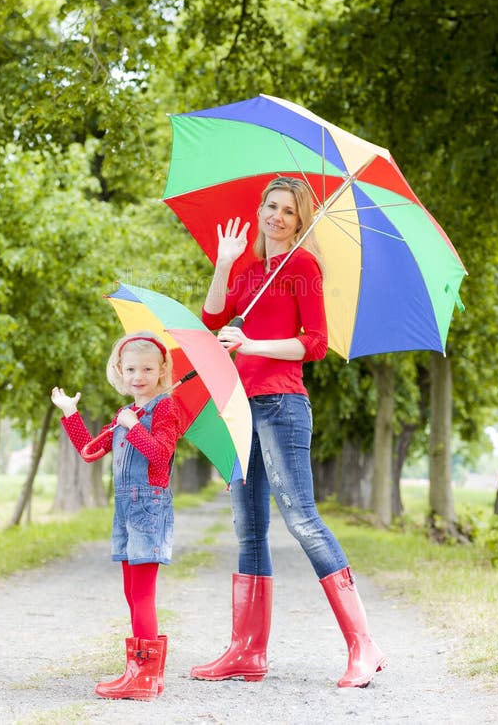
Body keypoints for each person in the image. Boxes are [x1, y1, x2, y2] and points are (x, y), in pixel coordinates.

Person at [190, 176, 386, 689]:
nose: (278, 216)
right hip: (240, 409)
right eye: (271, 206)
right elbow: (214, 317)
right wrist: (226, 263)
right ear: (260, 211)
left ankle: (364, 645)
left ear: (301, 221)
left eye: (289, 210)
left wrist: (252, 343)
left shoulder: (303, 267)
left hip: (281, 405)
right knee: (249, 528)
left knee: (301, 519)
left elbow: (315, 343)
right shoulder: (251, 271)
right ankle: (247, 652)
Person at [50, 330, 185, 701]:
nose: (138, 376)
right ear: (119, 372)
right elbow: (90, 451)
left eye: (147, 369)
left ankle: (141, 676)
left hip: (148, 506)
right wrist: (70, 413)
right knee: (131, 591)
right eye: (131, 369)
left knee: (142, 593)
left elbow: (160, 455)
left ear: (161, 372)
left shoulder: (164, 409)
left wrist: (132, 426)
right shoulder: (126, 413)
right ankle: (147, 674)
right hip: (125, 507)